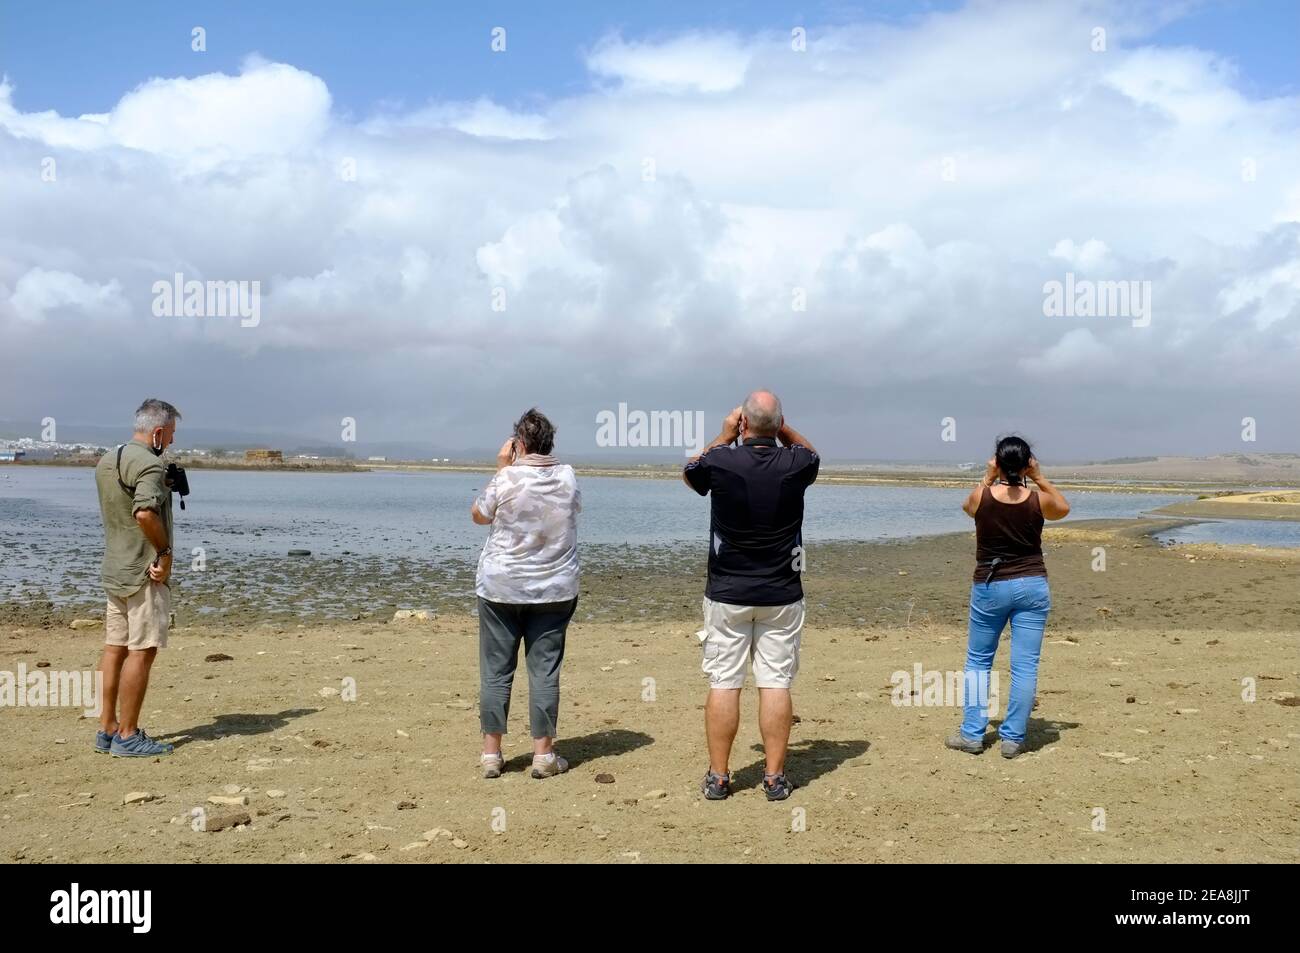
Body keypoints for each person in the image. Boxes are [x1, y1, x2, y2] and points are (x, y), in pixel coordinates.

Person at [682, 390, 818, 801]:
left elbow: (691, 472)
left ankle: (719, 777)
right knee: (775, 683)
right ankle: (774, 778)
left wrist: (724, 435)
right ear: (777, 425)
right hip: (781, 593)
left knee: (724, 681)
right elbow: (812, 453)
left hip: (728, 592)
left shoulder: (721, 460)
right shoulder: (795, 463)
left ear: (743, 424)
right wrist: (782, 426)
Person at [470, 408, 581, 780]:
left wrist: (503, 469)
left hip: (501, 588)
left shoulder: (506, 478)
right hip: (554, 589)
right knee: (545, 671)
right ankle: (543, 754)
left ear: (518, 444)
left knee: (495, 671)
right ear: (550, 442)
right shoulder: (567, 477)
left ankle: (491, 754)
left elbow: (479, 515)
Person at [947, 435, 1070, 759]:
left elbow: (967, 507)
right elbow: (1063, 508)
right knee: (1025, 666)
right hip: (1031, 584)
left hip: (990, 586)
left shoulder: (982, 496)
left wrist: (988, 476)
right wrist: (1039, 477)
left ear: (998, 462)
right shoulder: (1037, 499)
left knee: (978, 661)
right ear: (1028, 464)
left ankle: (972, 734)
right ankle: (1013, 738)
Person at [92, 398, 182, 758]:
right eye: (171, 435)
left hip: (115, 568)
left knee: (114, 650)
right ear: (158, 432)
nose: (172, 442)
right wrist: (165, 553)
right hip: (145, 572)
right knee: (141, 653)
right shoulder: (148, 464)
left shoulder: (106, 460)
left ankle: (107, 728)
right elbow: (144, 513)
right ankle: (128, 735)